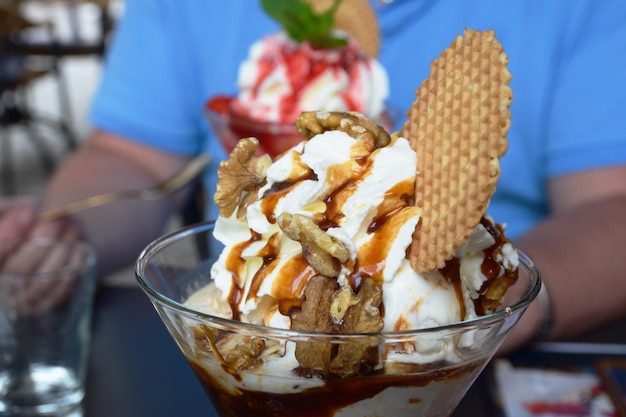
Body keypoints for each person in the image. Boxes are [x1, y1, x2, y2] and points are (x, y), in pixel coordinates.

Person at [1, 0, 625, 352]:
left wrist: (487, 311)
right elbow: (131, 156)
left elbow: (614, 207)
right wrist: (62, 240)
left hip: (494, 348)